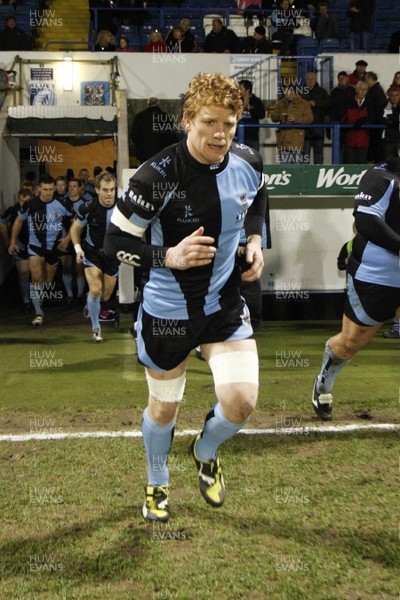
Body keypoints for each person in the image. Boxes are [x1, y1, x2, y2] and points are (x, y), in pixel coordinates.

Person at [104, 72, 268, 522]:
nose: (221, 134)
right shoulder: (155, 175)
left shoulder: (248, 161)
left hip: (224, 306)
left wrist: (255, 240)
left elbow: (257, 199)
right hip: (167, 312)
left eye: (230, 124)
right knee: (164, 407)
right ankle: (157, 482)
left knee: (241, 402)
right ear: (187, 120)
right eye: (210, 122)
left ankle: (205, 449)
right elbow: (111, 243)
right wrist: (168, 256)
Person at [312, 150, 400, 421]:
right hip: (377, 273)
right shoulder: (381, 176)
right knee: (351, 341)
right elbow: (365, 221)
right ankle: (324, 381)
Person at [8, 176, 73, 326]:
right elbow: (18, 221)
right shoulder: (30, 204)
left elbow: (75, 221)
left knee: (47, 281)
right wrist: (12, 242)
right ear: (39, 189)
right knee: (36, 277)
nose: (48, 193)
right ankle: (38, 313)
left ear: (54, 189)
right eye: (45, 190)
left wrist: (68, 239)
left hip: (54, 248)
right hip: (35, 247)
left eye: (51, 190)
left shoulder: (62, 203)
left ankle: (39, 303)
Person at [70, 172, 119, 343]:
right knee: (96, 289)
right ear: (97, 190)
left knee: (105, 296)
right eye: (105, 190)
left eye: (112, 189)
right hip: (93, 253)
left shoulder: (123, 207)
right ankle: (96, 328)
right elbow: (75, 229)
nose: (109, 194)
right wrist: (78, 249)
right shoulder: (87, 207)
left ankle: (90, 303)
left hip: (113, 255)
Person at [0, 188, 32, 312]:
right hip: (20, 244)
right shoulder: (13, 210)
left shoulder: (36, 209)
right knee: (24, 273)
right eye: (22, 201)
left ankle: (37, 301)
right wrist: (8, 240)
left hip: (36, 245)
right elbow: (2, 222)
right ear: (18, 199)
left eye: (27, 201)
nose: (24, 204)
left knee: (36, 275)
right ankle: (26, 301)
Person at [271, 85, 313, 163]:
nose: (286, 94)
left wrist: (295, 119)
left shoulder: (304, 103)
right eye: (285, 92)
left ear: (294, 92)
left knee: (297, 165)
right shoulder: (281, 103)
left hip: (297, 138)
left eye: (288, 92)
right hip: (283, 137)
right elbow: (273, 116)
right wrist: (278, 117)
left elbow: (309, 119)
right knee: (284, 165)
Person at [131, 97, 180, 164]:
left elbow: (134, 135)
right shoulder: (165, 116)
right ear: (158, 103)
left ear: (148, 104)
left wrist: (140, 147)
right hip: (161, 153)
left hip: (144, 154)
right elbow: (171, 135)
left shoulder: (140, 116)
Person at [302, 71, 331, 165]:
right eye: (308, 79)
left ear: (315, 80)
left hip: (318, 125)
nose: (310, 81)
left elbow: (328, 104)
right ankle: (304, 173)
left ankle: (318, 172)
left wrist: (316, 104)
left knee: (318, 152)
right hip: (305, 126)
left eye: (312, 79)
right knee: (304, 153)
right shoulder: (300, 91)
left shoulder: (322, 91)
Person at [342, 80, 370, 164]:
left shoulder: (370, 103)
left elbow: (373, 117)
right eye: (361, 89)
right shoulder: (348, 102)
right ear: (357, 90)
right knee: (349, 166)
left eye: (365, 89)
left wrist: (364, 120)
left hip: (363, 141)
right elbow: (342, 117)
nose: (363, 91)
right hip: (350, 140)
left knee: (361, 167)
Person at [237, 79, 266, 151]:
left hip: (252, 138)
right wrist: (243, 107)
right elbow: (232, 114)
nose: (238, 90)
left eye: (240, 88)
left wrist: (250, 109)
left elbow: (262, 115)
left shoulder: (256, 101)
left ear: (247, 90)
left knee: (253, 160)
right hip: (237, 136)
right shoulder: (236, 100)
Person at [365, 71, 386, 164]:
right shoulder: (377, 90)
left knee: (376, 148)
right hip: (375, 124)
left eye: (366, 79)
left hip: (375, 125)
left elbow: (376, 109)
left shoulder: (375, 91)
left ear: (370, 79)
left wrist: (370, 121)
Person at [382, 88, 400, 160]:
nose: (394, 97)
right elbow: (382, 119)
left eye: (397, 95)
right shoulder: (384, 106)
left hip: (398, 138)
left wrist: (391, 119)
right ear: (389, 96)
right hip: (388, 140)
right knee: (389, 163)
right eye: (392, 95)